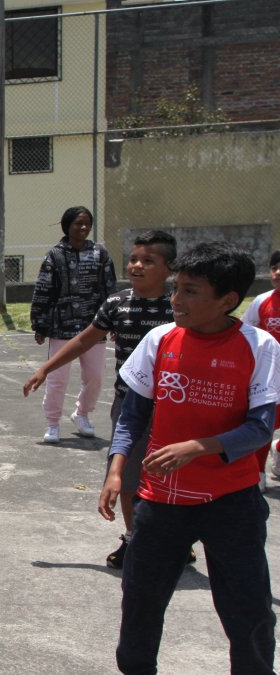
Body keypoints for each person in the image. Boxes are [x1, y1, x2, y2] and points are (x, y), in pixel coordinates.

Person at [98, 243, 278, 674]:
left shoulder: (260, 346)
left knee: (249, 611)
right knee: (140, 602)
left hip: (230, 502)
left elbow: (260, 427)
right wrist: (117, 468)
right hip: (160, 503)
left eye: (191, 291)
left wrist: (200, 446)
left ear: (228, 301)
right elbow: (133, 415)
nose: (176, 300)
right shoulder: (160, 340)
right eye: (177, 288)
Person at [24, 231, 178, 569]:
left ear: (169, 267)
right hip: (130, 405)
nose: (137, 266)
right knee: (124, 476)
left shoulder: (178, 307)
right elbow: (83, 341)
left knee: (171, 476)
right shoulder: (116, 303)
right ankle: (134, 538)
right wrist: (45, 369)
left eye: (148, 261)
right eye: (134, 259)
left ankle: (174, 538)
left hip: (175, 409)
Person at [30, 206, 117, 443]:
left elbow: (110, 289)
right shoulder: (55, 255)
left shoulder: (100, 254)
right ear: (67, 226)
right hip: (62, 326)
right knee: (58, 378)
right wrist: (40, 323)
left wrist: (115, 322)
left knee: (95, 376)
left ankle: (81, 414)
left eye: (87, 223)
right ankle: (52, 423)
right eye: (78, 223)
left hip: (94, 326)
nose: (83, 228)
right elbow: (43, 290)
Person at [239, 248, 280, 491]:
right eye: (274, 268)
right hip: (272, 375)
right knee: (267, 423)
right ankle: (258, 472)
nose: (278, 272)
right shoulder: (262, 301)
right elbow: (245, 332)